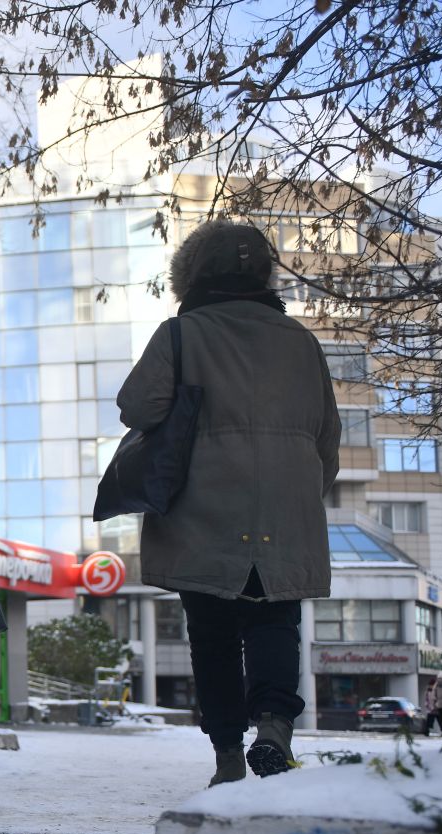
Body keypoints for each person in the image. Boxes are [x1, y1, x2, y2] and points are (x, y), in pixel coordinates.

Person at [118, 220, 340, 784]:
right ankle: (273, 729)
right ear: (264, 275)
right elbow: (328, 440)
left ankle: (225, 758)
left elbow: (137, 407)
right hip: (285, 508)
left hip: (203, 506)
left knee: (212, 633)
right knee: (274, 623)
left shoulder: (181, 334)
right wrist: (299, 494)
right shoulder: (303, 343)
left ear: (192, 275)